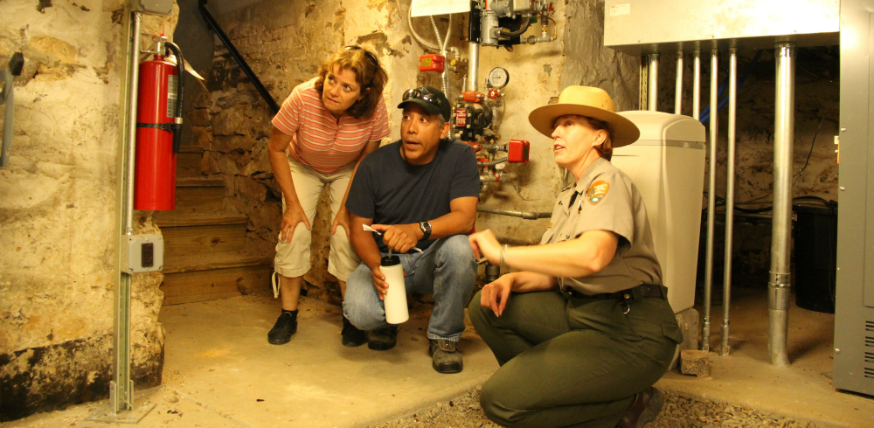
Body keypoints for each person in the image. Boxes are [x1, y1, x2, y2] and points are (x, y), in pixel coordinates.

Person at [468, 86, 684, 428]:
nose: (555, 133)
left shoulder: (607, 182)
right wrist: (511, 277)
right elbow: (558, 273)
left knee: (500, 402)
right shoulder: (570, 194)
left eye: (568, 124)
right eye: (557, 126)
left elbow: (593, 256)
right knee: (487, 305)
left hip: (631, 329)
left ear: (599, 136)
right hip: (581, 311)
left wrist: (505, 254)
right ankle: (556, 393)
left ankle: (628, 404)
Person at [343, 86, 480, 374]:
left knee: (461, 247)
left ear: (443, 130)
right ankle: (387, 322)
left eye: (423, 120)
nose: (412, 129)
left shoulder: (459, 157)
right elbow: (358, 229)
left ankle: (444, 338)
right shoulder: (375, 164)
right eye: (407, 118)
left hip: (434, 258)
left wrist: (418, 230)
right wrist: (376, 267)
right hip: (389, 261)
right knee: (359, 312)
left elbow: (465, 219)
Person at [267, 46, 389, 347]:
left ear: (362, 94)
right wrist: (293, 206)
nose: (333, 90)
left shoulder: (375, 108)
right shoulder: (303, 96)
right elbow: (276, 148)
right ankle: (288, 314)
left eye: (346, 86)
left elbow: (365, 160)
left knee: (345, 235)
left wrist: (347, 208)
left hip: (348, 168)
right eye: (332, 79)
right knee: (294, 233)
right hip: (302, 164)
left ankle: (351, 317)